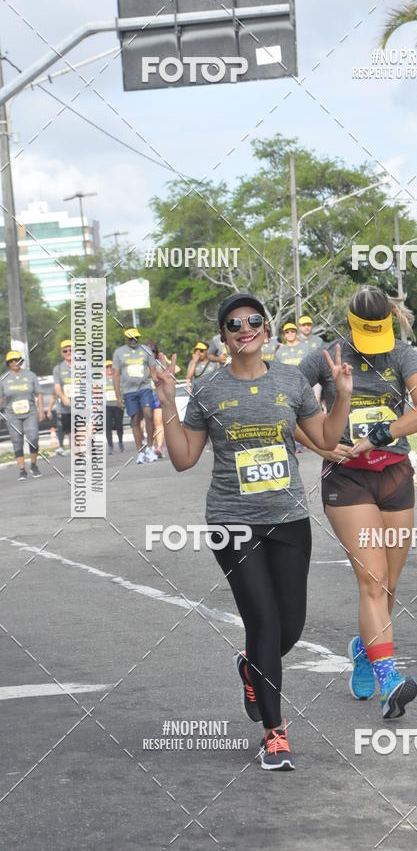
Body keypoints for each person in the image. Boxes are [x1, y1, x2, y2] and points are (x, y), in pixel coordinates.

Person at [153, 292, 352, 771]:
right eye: (234, 324)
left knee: (290, 628)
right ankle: (274, 733)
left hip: (288, 518)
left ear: (265, 330)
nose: (245, 329)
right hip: (232, 522)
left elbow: (326, 440)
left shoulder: (291, 380)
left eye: (253, 321)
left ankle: (250, 667)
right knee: (263, 623)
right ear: (224, 336)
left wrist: (342, 396)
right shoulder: (208, 389)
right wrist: (166, 401)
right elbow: (183, 459)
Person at [298, 285, 417, 719]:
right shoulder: (325, 357)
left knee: (389, 586)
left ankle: (365, 649)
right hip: (347, 480)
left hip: (394, 475)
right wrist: (321, 447)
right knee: (373, 581)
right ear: (351, 325)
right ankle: (388, 680)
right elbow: (284, 404)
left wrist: (383, 433)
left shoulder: (401, 353)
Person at [112, 327, 158, 464]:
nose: (134, 340)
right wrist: (118, 396)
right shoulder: (119, 353)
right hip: (129, 391)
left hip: (144, 388)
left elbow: (153, 371)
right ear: (126, 338)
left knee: (149, 414)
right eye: (131, 338)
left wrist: (159, 383)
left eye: (136, 337)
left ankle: (150, 447)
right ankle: (140, 452)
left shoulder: (146, 350)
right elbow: (115, 375)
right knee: (135, 418)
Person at [0, 350, 44, 480]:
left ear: (21, 361)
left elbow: (39, 394)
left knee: (33, 437)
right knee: (17, 440)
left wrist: (41, 411)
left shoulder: (31, 375)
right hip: (12, 414)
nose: (15, 363)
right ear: (8, 363)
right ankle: (22, 470)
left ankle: (34, 465)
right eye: (12, 361)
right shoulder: (3, 378)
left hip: (30, 412)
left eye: (17, 360)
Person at [52, 339, 74, 454]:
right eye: (65, 351)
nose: (68, 352)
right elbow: (57, 387)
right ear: (62, 353)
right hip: (66, 407)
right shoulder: (58, 369)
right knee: (71, 433)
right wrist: (64, 397)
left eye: (71, 350)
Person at [105, 360, 125, 454]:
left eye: (110, 367)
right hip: (106, 406)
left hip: (117, 405)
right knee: (107, 426)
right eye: (106, 367)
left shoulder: (119, 378)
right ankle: (110, 446)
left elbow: (124, 390)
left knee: (119, 425)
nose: (109, 369)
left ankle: (120, 442)